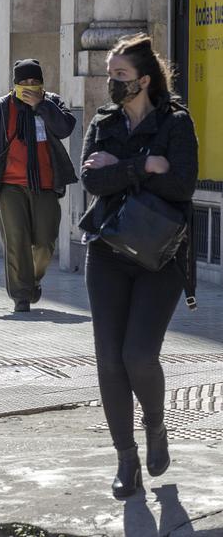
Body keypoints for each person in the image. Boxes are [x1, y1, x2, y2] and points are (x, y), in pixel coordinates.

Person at [78, 34, 198, 499]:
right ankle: (125, 459)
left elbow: (183, 185)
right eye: (111, 75)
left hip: (159, 255)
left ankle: (155, 424)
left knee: (138, 355)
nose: (112, 83)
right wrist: (145, 165)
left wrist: (124, 166)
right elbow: (91, 178)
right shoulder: (104, 120)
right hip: (107, 251)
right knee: (109, 359)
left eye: (120, 76)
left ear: (144, 80)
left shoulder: (176, 122)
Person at [0, 59, 78, 312]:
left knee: (45, 241)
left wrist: (41, 106)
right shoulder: (1, 108)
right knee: (16, 240)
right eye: (24, 82)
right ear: (15, 84)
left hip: (46, 184)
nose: (30, 86)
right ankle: (21, 295)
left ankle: (32, 280)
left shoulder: (53, 102)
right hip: (10, 185)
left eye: (35, 82)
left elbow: (65, 128)